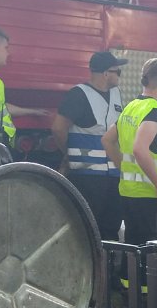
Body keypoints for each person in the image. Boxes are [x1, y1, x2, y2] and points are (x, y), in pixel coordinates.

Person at [51, 50, 127, 239]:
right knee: (87, 229)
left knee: (110, 229)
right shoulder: (79, 94)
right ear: (105, 73)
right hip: (87, 177)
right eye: (117, 71)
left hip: (113, 177)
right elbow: (58, 128)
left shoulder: (116, 94)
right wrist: (68, 154)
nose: (120, 76)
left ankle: (109, 267)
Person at [102, 57, 157, 248]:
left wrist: (125, 167)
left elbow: (107, 140)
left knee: (133, 249)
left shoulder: (131, 107)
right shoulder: (154, 110)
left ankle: (129, 279)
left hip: (128, 192)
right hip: (150, 195)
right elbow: (139, 149)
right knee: (152, 250)